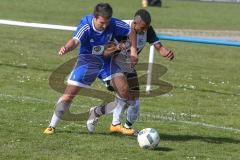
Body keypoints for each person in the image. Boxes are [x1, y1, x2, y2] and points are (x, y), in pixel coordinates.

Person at [43, 3, 138, 134]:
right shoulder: (86, 25)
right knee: (68, 95)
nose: (105, 26)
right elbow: (75, 41)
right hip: (87, 62)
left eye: (107, 23)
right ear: (94, 17)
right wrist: (66, 48)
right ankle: (52, 126)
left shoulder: (114, 23)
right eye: (102, 23)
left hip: (106, 63)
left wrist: (133, 51)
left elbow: (131, 31)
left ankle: (96, 113)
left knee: (124, 91)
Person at [86, 9, 174, 136]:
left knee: (135, 102)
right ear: (134, 23)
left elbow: (158, 46)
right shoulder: (120, 28)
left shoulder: (147, 29)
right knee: (124, 95)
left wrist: (166, 52)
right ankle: (110, 121)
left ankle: (124, 127)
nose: (144, 31)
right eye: (142, 27)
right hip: (111, 66)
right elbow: (101, 50)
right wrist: (117, 47)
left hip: (127, 67)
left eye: (147, 28)